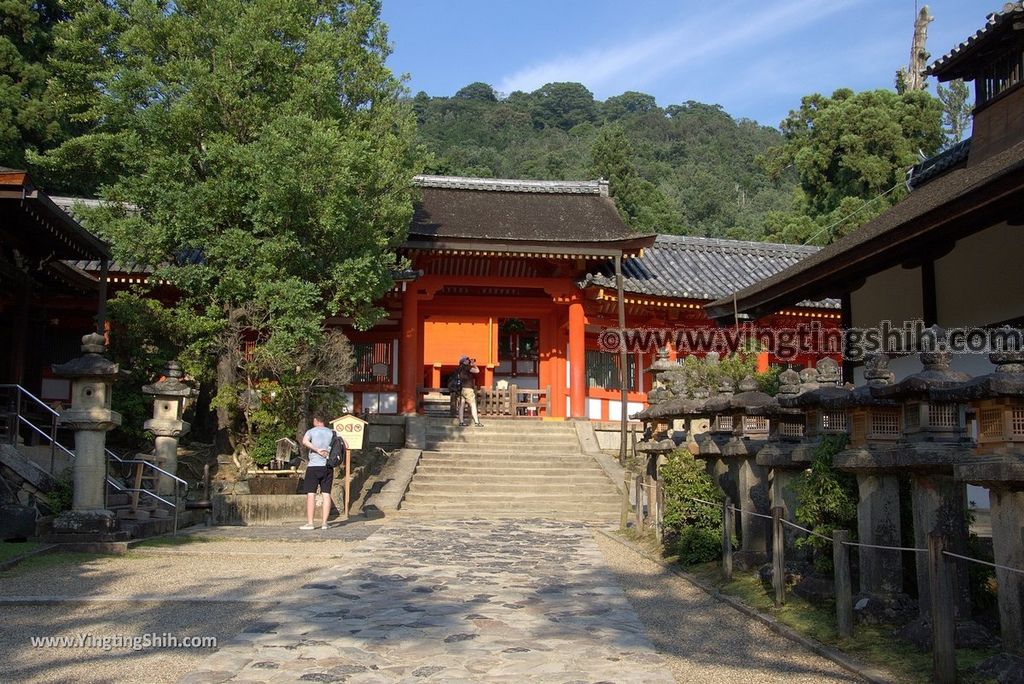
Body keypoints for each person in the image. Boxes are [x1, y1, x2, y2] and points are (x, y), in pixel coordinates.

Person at [299, 413, 335, 530]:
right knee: (326, 494)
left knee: (311, 494)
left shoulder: (311, 431)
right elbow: (344, 443)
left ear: (315, 420)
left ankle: (310, 523)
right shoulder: (332, 432)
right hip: (327, 466)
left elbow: (305, 441)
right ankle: (325, 523)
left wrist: (317, 449)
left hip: (313, 466)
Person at [456, 356, 482, 427]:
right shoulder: (467, 367)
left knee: (461, 406)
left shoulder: (459, 368)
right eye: (467, 360)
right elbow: (477, 371)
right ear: (464, 361)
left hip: (461, 389)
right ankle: (476, 422)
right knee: (473, 405)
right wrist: (474, 365)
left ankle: (461, 422)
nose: (468, 361)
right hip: (468, 388)